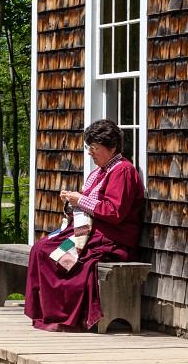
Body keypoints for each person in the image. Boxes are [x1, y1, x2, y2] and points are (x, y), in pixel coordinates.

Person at [25, 119, 145, 332]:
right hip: (91, 233)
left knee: (54, 256)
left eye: (95, 148)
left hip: (112, 239)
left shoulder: (122, 171)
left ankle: (62, 316)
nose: (91, 153)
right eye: (90, 148)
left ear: (113, 148)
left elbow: (114, 212)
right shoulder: (101, 171)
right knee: (40, 248)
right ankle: (46, 312)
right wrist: (73, 200)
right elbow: (89, 204)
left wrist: (79, 200)